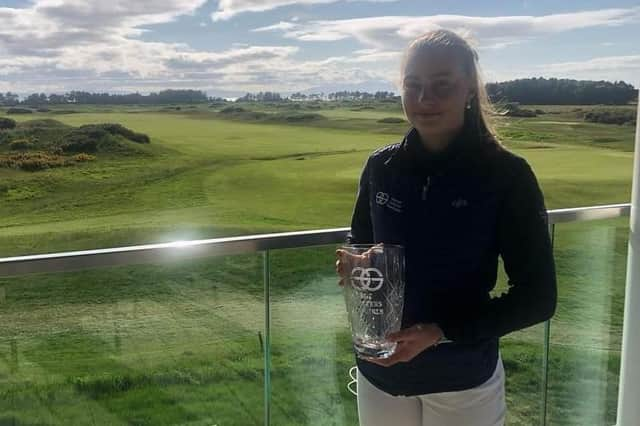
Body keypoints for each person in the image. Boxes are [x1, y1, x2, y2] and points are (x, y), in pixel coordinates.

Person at [335, 29, 557, 426]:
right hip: (379, 371)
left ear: (469, 89)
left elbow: (539, 298)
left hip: (461, 376)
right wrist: (356, 261)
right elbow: (360, 239)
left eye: (442, 85)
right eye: (413, 85)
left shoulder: (507, 175)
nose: (425, 99)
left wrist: (440, 331)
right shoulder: (381, 167)